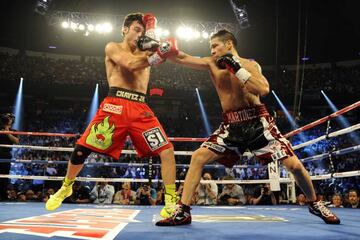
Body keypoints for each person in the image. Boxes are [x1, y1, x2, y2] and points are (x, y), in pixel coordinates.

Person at [156, 29, 340, 225]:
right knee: (198, 157)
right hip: (231, 126)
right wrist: (161, 47)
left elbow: (263, 89)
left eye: (215, 46)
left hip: (258, 124)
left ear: (229, 44)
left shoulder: (250, 65)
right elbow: (182, 58)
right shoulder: (211, 63)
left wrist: (237, 69)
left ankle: (314, 203)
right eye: (211, 47)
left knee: (294, 166)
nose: (212, 51)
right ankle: (183, 211)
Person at [45, 12, 180, 218]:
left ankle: (171, 201)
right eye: (136, 30)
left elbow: (160, 54)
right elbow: (131, 64)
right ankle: (66, 186)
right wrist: (158, 53)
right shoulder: (112, 47)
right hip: (114, 105)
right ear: (124, 29)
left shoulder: (146, 54)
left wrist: (158, 46)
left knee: (167, 150)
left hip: (140, 107)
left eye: (142, 32)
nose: (139, 35)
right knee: (81, 150)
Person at [0, 113, 19, 201]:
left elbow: (17, 141)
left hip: (6, 155)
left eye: (10, 118)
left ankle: (2, 195)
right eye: (7, 118)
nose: (8, 119)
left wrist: (8, 133)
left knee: (4, 175)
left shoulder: (14, 131)